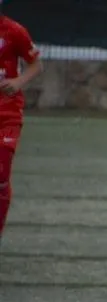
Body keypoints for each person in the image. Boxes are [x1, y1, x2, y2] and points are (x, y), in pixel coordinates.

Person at [0, 2, 43, 247]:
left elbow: (37, 65)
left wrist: (18, 82)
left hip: (7, 113)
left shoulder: (15, 31)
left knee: (1, 173)